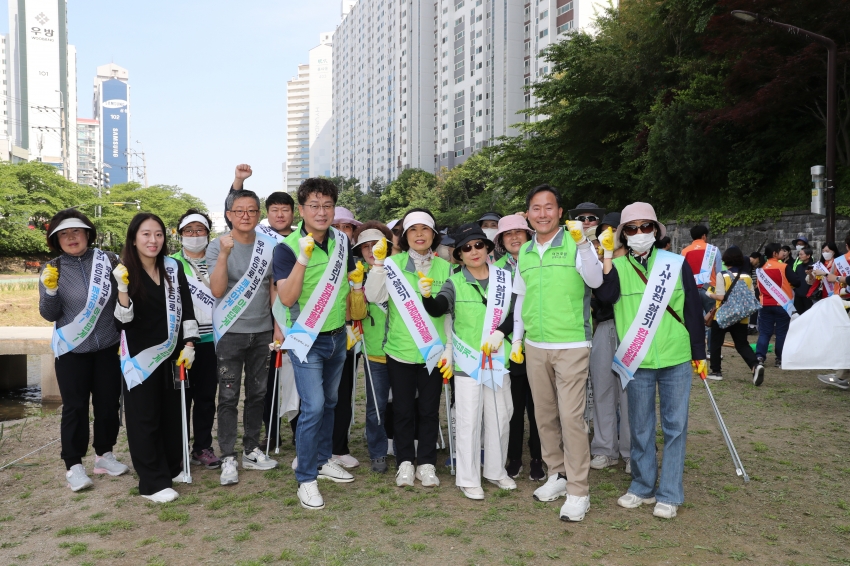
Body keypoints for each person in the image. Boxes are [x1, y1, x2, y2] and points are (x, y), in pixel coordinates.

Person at [595, 202, 706, 520]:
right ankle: (642, 487)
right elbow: (604, 298)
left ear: (656, 231)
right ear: (623, 235)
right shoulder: (616, 267)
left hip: (676, 357)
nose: (640, 233)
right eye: (631, 228)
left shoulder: (675, 263)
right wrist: (605, 256)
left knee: (675, 427)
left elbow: (693, 311)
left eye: (646, 227)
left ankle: (669, 493)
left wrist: (699, 353)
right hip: (637, 360)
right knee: (640, 427)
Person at [510, 185, 603, 522]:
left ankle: (579, 490)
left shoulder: (578, 244)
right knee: (544, 416)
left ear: (560, 212)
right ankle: (557, 476)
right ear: (528, 215)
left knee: (571, 418)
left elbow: (594, 281)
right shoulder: (525, 252)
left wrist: (582, 244)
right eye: (536, 208)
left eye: (549, 207)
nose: (543, 213)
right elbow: (520, 299)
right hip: (536, 346)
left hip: (572, 344)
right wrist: (518, 340)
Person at [276, 178, 362, 510]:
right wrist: (302, 258)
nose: (321, 212)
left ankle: (324, 459)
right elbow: (286, 297)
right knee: (311, 407)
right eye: (314, 205)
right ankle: (306, 478)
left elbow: (353, 283)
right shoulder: (287, 248)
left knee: (329, 402)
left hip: (338, 336)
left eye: (327, 205)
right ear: (302, 210)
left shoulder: (342, 241)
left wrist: (359, 284)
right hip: (306, 339)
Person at [421, 223, 515, 499]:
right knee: (468, 420)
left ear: (487, 248)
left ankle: (496, 471)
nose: (473, 251)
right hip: (468, 363)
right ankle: (467, 477)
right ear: (459, 255)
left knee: (501, 417)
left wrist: (502, 333)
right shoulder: (454, 282)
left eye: (478, 245)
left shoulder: (505, 277)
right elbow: (439, 309)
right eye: (466, 248)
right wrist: (427, 296)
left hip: (498, 359)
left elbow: (516, 311)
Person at [39, 209, 128, 492]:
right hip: (71, 350)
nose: (71, 238)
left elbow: (124, 301)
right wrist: (51, 291)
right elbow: (48, 314)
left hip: (107, 346)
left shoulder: (109, 261)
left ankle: (104, 455)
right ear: (56, 240)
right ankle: (74, 465)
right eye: (63, 234)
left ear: (87, 233)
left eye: (76, 231)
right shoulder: (53, 268)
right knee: (75, 408)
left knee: (107, 403)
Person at [114, 213, 199, 503]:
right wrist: (123, 290)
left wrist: (189, 343)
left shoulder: (173, 268)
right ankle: (151, 481)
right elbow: (122, 323)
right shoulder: (123, 271)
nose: (153, 240)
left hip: (173, 354)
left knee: (173, 415)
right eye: (146, 234)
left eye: (159, 234)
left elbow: (187, 308)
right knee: (145, 418)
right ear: (134, 238)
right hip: (141, 358)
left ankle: (173, 467)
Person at [364, 208, 452, 490]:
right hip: (400, 350)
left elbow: (450, 313)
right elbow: (374, 296)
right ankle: (404, 462)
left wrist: (449, 347)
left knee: (428, 410)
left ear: (433, 235)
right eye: (412, 230)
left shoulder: (446, 267)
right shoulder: (393, 263)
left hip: (433, 353)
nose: (419, 235)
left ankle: (426, 463)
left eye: (424, 229)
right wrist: (378, 265)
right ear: (404, 235)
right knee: (402, 410)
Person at [208, 189, 280, 487]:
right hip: (230, 333)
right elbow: (216, 289)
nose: (246, 216)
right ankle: (227, 455)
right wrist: (225, 254)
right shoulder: (217, 246)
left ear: (259, 214)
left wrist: (278, 326)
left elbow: (274, 286)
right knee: (227, 396)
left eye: (252, 210)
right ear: (229, 215)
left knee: (258, 394)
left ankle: (251, 449)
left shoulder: (271, 246)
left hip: (263, 331)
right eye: (239, 211)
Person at [493, 214, 544, 482]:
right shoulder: (495, 269)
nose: (514, 237)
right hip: (505, 349)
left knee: (538, 407)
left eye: (519, 232)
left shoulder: (539, 260)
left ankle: (537, 457)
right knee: (512, 407)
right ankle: (513, 457)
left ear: (528, 235)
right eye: (508, 233)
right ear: (501, 240)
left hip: (536, 342)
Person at [171, 209, 221, 469]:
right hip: (182, 343)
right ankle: (178, 448)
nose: (194, 235)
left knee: (205, 398)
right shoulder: (170, 264)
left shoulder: (218, 259)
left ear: (207, 234)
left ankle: (203, 446)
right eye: (188, 231)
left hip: (212, 341)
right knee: (180, 399)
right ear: (180, 235)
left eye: (199, 230)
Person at [587, 212, 631, 475]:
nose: (609, 234)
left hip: (634, 332)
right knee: (602, 389)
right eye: (604, 230)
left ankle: (631, 451)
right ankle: (604, 449)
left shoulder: (638, 261)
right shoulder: (596, 260)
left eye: (614, 230)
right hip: (604, 327)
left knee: (629, 394)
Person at [351, 221, 395, 472]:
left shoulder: (400, 271)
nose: (370, 250)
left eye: (375, 245)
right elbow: (356, 312)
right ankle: (377, 452)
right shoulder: (357, 276)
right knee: (375, 407)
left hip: (403, 352)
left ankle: (404, 448)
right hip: (374, 353)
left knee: (405, 405)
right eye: (365, 246)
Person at [258, 192, 297, 452]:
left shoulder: (301, 238)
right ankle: (271, 433)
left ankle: (299, 431)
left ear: (293, 212)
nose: (280, 215)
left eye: (285, 209)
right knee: (269, 381)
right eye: (274, 210)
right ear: (268, 213)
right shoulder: (259, 238)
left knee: (299, 379)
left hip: (298, 318)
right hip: (265, 319)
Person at [330, 206, 363, 469]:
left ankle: (339, 447)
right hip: (316, 333)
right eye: (337, 227)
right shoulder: (315, 252)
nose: (342, 232)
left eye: (347, 227)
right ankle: (313, 447)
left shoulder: (359, 259)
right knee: (316, 397)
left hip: (349, 334)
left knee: (343, 391)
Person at [705, 247, 762, 384]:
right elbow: (750, 296)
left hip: (723, 315)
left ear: (726, 259)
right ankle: (755, 365)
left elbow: (720, 296)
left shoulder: (722, 275)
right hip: (741, 316)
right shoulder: (747, 276)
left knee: (716, 343)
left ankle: (716, 371)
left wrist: (709, 293)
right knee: (742, 344)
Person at [755, 243, 798, 371]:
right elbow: (797, 282)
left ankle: (760, 357)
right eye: (780, 251)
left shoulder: (760, 270)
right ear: (774, 253)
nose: (782, 253)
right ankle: (780, 359)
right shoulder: (783, 267)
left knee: (764, 332)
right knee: (781, 333)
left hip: (765, 304)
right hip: (782, 304)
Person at [681, 225, 720, 354]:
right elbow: (719, 272)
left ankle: (696, 350)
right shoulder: (713, 250)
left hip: (691, 290)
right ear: (704, 236)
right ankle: (712, 351)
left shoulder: (685, 251)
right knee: (712, 320)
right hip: (710, 290)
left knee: (694, 320)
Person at [792, 246, 814, 314]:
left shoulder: (813, 266)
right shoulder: (798, 266)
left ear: (808, 256)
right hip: (798, 295)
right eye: (799, 254)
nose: (799, 256)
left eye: (801, 254)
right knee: (799, 314)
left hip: (809, 295)